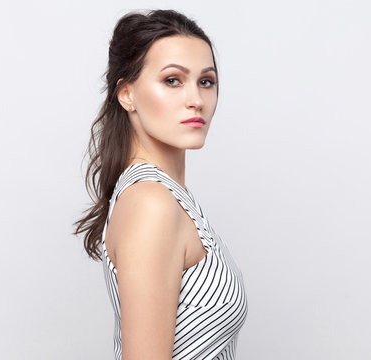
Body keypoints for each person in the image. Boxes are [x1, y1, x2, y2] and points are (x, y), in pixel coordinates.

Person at [74, 9, 248, 360]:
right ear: (127, 94)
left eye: (206, 81)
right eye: (172, 80)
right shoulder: (151, 203)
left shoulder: (166, 196)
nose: (196, 99)